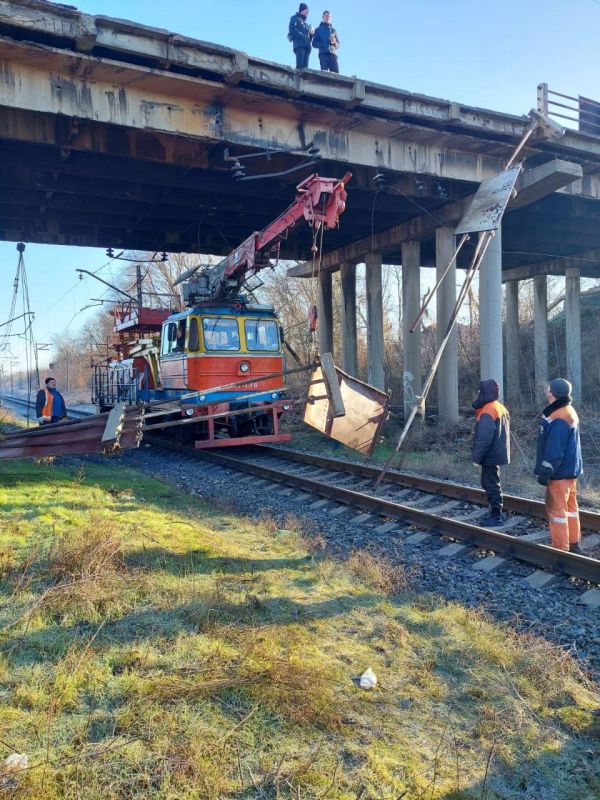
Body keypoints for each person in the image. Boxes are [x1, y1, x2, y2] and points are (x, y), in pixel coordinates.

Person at [535, 378, 583, 553]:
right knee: (570, 509)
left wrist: (546, 471)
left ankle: (560, 551)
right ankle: (573, 543)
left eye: (549, 388)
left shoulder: (559, 417)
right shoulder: (568, 411)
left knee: (557, 513)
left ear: (552, 393)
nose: (547, 389)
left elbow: (555, 449)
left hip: (559, 473)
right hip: (570, 471)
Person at [472, 379, 510, 527]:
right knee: (491, 482)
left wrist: (477, 458)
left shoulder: (488, 410)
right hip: (497, 453)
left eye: (480, 390)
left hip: (490, 455)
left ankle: (496, 516)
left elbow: (484, 438)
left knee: (491, 484)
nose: (478, 392)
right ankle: (495, 512)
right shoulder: (499, 407)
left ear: (485, 392)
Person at [288, 3, 313, 70]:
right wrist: (303, 36)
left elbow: (310, 39)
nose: (308, 12)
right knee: (299, 66)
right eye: (307, 10)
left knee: (306, 69)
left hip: (307, 47)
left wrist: (311, 34)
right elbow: (292, 29)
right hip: (299, 45)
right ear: (302, 10)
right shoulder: (295, 18)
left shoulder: (306, 24)